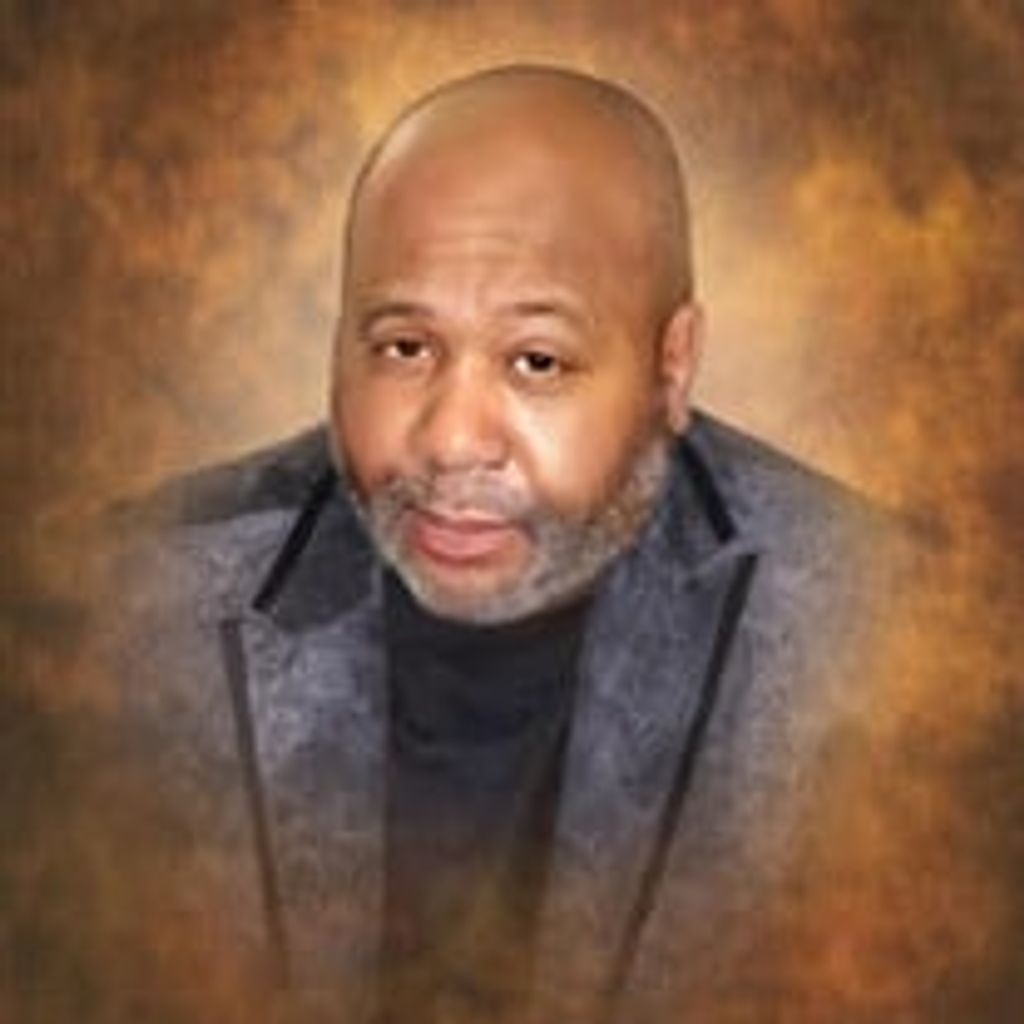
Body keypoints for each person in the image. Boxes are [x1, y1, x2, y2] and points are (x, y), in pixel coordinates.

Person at [109, 65, 893, 1024]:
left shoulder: (889, 638)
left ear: (672, 366)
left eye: (537, 362)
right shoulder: (122, 604)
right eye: (405, 347)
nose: (451, 440)